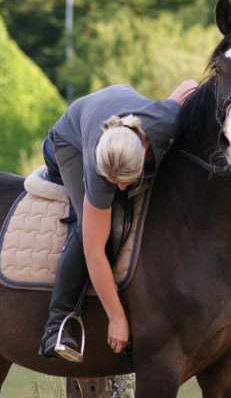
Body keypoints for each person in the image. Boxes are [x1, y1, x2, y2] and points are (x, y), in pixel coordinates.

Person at [39, 81, 197, 361]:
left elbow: (190, 87)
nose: (120, 189)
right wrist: (117, 318)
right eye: (116, 183)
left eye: (126, 182)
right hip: (69, 139)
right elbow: (94, 251)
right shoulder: (97, 169)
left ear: (144, 151)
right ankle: (57, 326)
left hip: (120, 109)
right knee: (102, 228)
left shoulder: (165, 120)